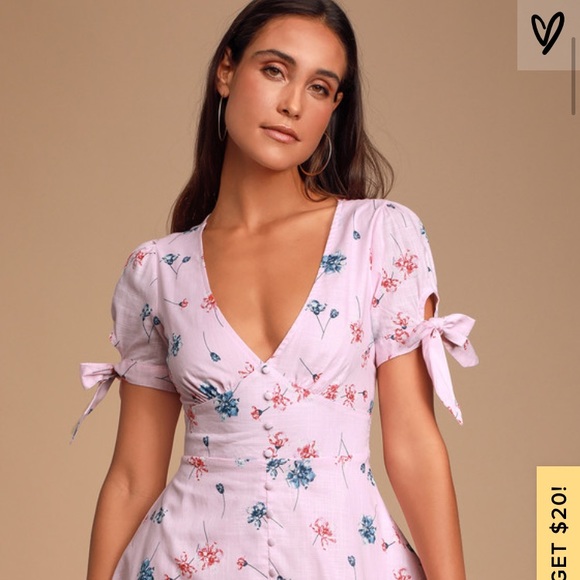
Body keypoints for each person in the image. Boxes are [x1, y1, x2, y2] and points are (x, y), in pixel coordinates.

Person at [74, 1, 479, 578]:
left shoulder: (379, 237)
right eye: (274, 70)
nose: (292, 104)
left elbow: (414, 445)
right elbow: (132, 478)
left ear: (334, 108)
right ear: (226, 71)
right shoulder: (158, 271)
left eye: (319, 87)